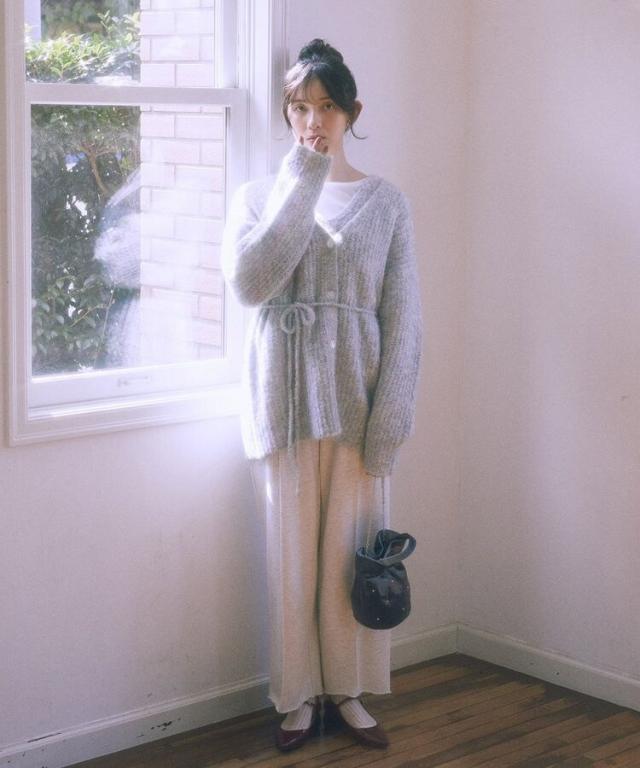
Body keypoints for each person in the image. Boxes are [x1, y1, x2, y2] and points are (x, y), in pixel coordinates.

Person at [221, 38, 422, 753]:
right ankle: (298, 696)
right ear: (287, 112)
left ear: (352, 112)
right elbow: (252, 284)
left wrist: (390, 420)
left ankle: (348, 689)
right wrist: (303, 177)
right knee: (291, 562)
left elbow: (404, 319)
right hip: (282, 407)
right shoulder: (256, 198)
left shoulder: (387, 203)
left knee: (352, 560)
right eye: (301, 107)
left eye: (327, 106)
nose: (313, 120)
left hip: (359, 412)